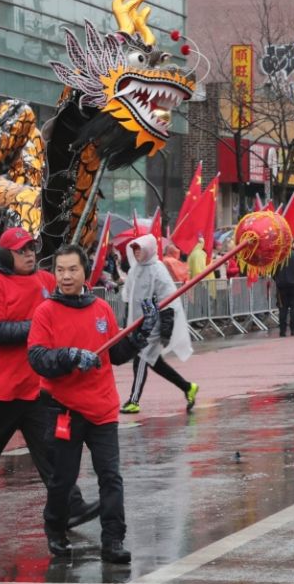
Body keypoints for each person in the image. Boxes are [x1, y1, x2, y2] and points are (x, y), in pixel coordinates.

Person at [0, 228, 98, 528]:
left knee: (53, 450)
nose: (29, 253)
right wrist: (37, 328)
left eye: (32, 248)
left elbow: (66, 303)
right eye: (22, 250)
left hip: (36, 386)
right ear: (6, 254)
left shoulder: (45, 280)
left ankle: (71, 504)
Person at [28, 244, 158, 563]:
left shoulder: (101, 309)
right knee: (63, 478)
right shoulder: (45, 311)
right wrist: (69, 356)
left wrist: (141, 333)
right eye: (60, 270)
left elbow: (115, 353)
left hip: (102, 409)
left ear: (86, 271)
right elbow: (38, 358)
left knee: (111, 476)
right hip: (63, 409)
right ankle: (56, 530)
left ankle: (113, 540)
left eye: (72, 269)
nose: (66, 276)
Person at [119, 235, 197, 414]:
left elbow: (167, 302)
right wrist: (127, 324)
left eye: (140, 249)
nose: (137, 253)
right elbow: (128, 298)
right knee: (156, 364)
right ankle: (187, 387)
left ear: (148, 249)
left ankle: (134, 400)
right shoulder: (134, 270)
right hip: (139, 326)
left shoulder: (158, 270)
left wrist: (165, 331)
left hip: (154, 325)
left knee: (141, 359)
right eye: (134, 249)